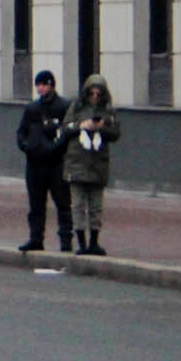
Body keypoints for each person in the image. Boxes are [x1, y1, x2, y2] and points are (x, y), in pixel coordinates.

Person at [60, 74, 123, 257]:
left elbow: (116, 133)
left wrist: (101, 128)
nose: (95, 97)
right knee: (78, 204)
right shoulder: (76, 107)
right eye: (92, 93)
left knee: (96, 206)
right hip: (77, 162)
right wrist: (82, 125)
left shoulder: (108, 110)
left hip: (98, 163)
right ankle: (81, 242)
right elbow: (65, 129)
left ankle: (94, 241)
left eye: (98, 94)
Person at [15, 69, 74, 254]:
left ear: (51, 85)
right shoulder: (31, 109)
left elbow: (67, 132)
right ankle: (36, 239)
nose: (40, 88)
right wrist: (27, 146)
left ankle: (65, 241)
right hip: (34, 164)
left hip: (56, 163)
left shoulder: (63, 106)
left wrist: (56, 147)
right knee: (36, 205)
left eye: (43, 84)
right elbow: (21, 132)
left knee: (63, 203)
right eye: (38, 85)